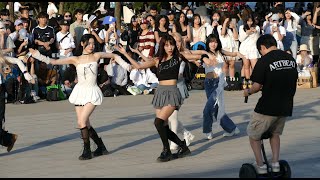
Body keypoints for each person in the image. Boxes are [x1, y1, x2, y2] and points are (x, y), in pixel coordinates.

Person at [27, 34, 121, 160]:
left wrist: (122, 56)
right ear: (82, 44)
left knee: (81, 122)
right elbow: (54, 61)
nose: (91, 46)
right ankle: (101, 146)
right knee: (85, 123)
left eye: (93, 43)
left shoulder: (97, 55)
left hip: (92, 91)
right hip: (80, 92)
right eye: (89, 43)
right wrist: (38, 55)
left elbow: (113, 55)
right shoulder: (75, 59)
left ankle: (87, 150)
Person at [114, 34, 207, 162]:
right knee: (162, 125)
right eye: (167, 45)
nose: (170, 47)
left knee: (158, 122)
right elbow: (139, 66)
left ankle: (166, 150)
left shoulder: (178, 57)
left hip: (173, 92)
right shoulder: (157, 60)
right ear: (163, 46)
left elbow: (196, 55)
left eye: (172, 44)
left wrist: (206, 56)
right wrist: (125, 53)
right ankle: (182, 146)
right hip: (160, 93)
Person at [243, 34, 298, 174]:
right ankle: (275, 164)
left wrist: (247, 92)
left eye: (260, 50)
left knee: (253, 134)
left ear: (262, 47)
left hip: (267, 106)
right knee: (275, 134)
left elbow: (256, 86)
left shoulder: (264, 61)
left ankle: (260, 166)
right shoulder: (290, 59)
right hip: (285, 106)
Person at [198, 34, 243, 140]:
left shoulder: (220, 52)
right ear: (208, 43)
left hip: (218, 83)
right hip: (208, 83)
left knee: (208, 108)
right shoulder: (205, 54)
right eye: (211, 42)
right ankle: (232, 128)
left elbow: (233, 54)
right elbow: (206, 61)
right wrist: (208, 61)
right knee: (216, 108)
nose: (213, 44)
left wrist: (240, 54)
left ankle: (208, 130)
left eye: (215, 42)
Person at [0, 51, 32, 153]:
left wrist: (26, 74)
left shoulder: (1, 58)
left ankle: (9, 139)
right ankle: (9, 139)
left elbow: (17, 61)